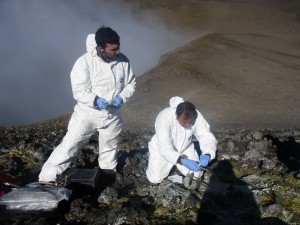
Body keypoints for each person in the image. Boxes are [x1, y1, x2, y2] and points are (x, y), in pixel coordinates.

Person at [39, 26, 136, 183]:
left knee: (110, 146)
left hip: (112, 115)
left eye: (118, 48)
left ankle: (107, 175)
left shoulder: (123, 61)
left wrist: (122, 97)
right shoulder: (84, 62)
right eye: (114, 49)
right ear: (101, 48)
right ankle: (47, 178)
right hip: (87, 115)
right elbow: (79, 90)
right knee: (71, 144)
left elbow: (131, 83)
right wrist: (95, 100)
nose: (118, 52)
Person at [146, 96, 217, 184]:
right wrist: (181, 160)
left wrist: (208, 153)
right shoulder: (164, 117)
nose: (187, 126)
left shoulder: (196, 115)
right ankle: (156, 161)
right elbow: (164, 146)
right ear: (176, 115)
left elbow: (206, 136)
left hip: (185, 147)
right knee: (155, 179)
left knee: (197, 174)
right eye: (184, 122)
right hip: (162, 149)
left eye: (190, 123)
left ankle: (176, 173)